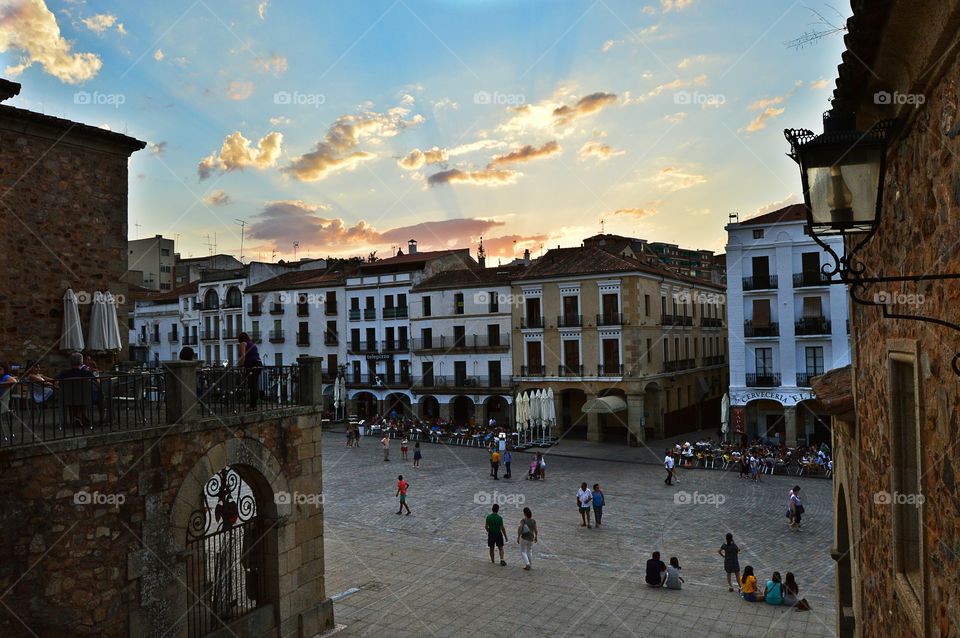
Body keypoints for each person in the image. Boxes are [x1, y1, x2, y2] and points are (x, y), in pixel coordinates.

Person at [237, 332, 262, 410]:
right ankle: (254, 405)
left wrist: (241, 366)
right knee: (254, 385)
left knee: (252, 386)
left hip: (251, 365)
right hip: (258, 364)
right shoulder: (252, 344)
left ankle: (252, 406)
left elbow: (243, 356)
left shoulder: (243, 343)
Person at [516, 506, 538, 570]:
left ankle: (527, 564)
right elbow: (536, 530)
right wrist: (536, 537)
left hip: (524, 538)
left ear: (525, 513)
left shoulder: (523, 520)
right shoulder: (533, 521)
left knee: (523, 552)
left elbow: (520, 528)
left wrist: (518, 537)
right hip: (531, 538)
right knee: (529, 551)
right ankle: (530, 564)